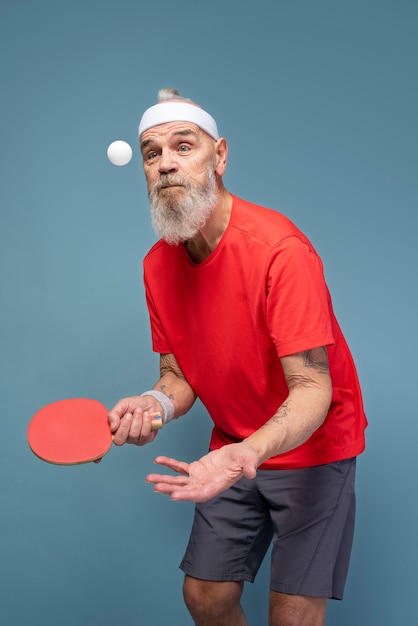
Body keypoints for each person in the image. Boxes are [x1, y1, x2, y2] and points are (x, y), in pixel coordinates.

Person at [108, 88, 367, 626]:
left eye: (184, 146)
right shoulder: (157, 265)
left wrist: (246, 453)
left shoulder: (279, 251)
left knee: (292, 616)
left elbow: (313, 389)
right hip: (232, 446)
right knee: (205, 598)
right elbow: (178, 374)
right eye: (152, 154)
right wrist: (153, 404)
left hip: (313, 447)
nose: (166, 163)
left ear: (219, 156)